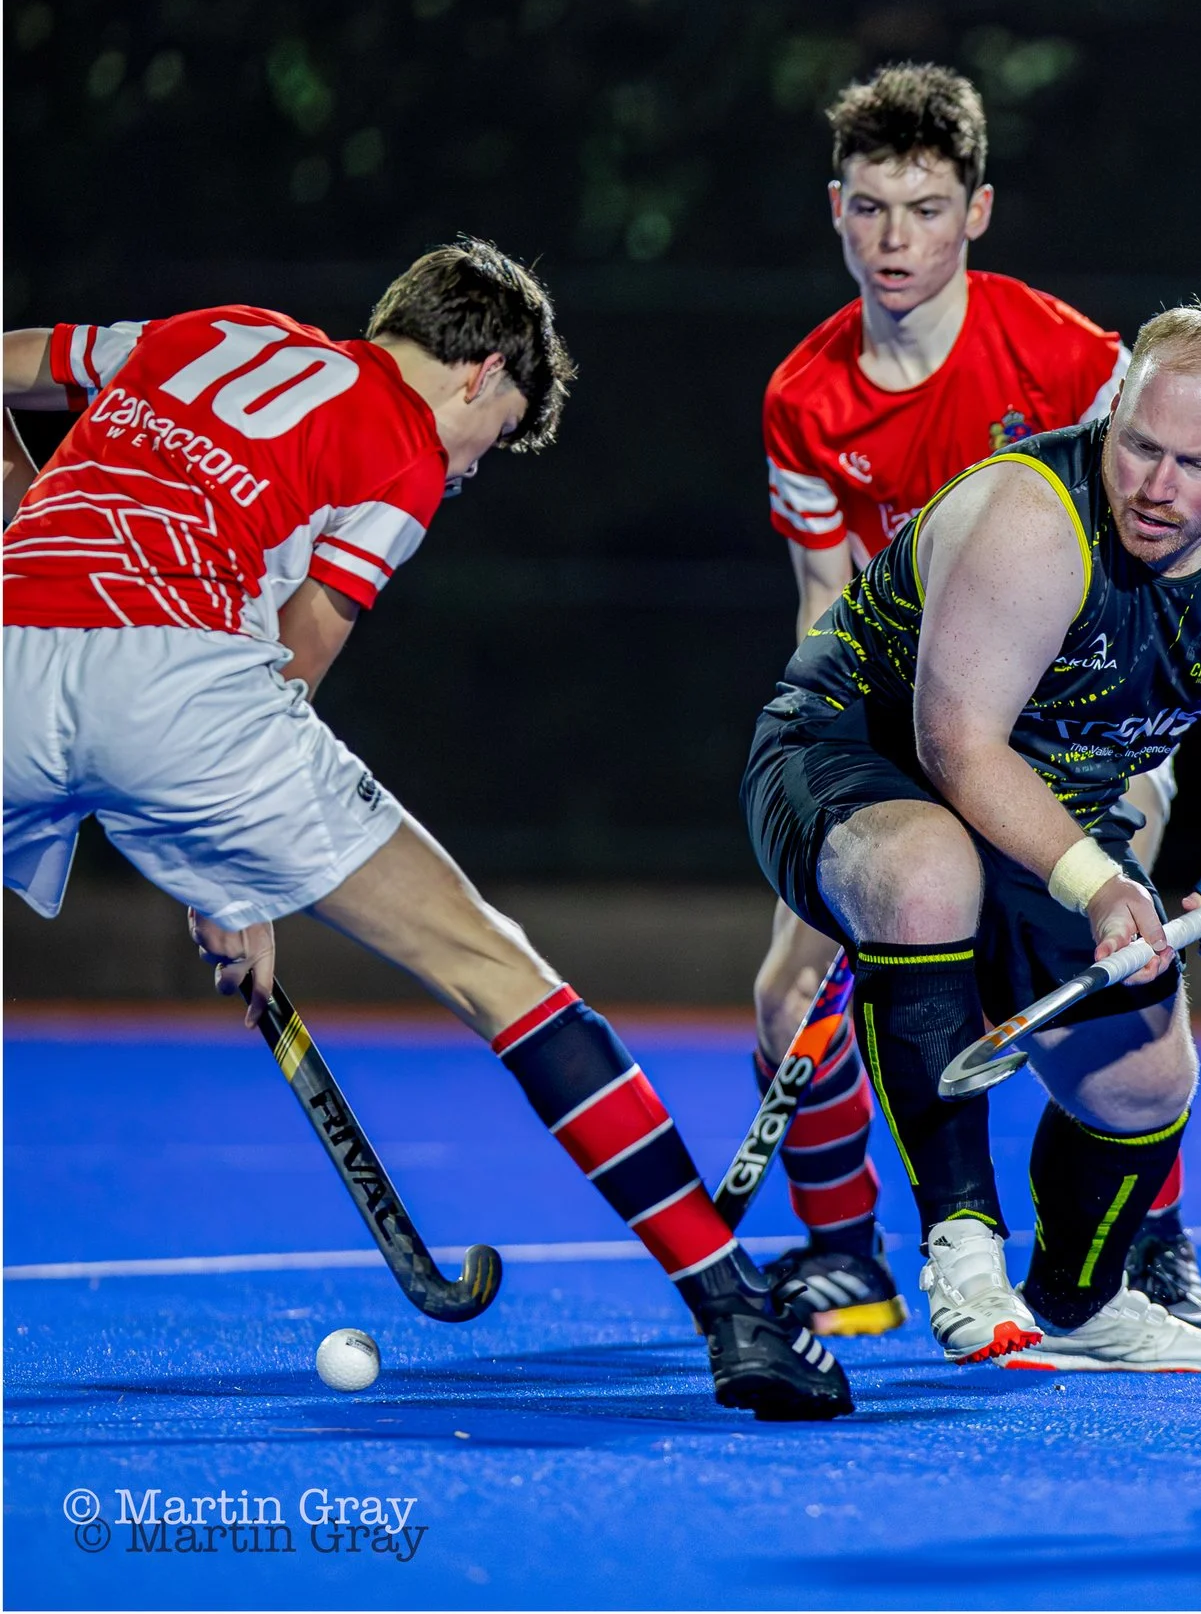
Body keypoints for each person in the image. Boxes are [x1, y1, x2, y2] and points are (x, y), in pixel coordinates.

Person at [1, 243, 853, 1419]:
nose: (464, 474)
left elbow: (11, 368)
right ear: (477, 373)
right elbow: (294, 658)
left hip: (11, 650)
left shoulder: (213, 326)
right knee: (493, 964)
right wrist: (229, 875)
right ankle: (737, 1312)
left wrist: (30, 509)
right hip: (182, 692)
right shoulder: (398, 439)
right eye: (490, 439)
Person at [741, 303, 1201, 1372]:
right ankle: (963, 1244)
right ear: (1113, 410)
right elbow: (957, 745)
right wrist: (1093, 883)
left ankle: (1079, 1302)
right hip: (849, 755)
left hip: (1048, 794)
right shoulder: (1033, 518)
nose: (1155, 487)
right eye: (1139, 444)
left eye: (1197, 463)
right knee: (926, 869)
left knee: (1148, 1082)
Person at [749, 62, 1201, 1341]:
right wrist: (829, 819)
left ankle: (1148, 1240)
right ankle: (847, 1257)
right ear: (835, 211)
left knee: (1123, 961)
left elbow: (1159, 555)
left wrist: (1129, 770)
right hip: (902, 734)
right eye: (872, 208)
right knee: (789, 992)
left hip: (1074, 726)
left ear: (979, 212)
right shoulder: (806, 398)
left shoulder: (1071, 361)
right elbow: (824, 610)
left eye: (927, 206)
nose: (897, 240)